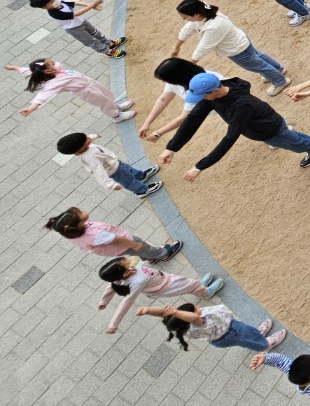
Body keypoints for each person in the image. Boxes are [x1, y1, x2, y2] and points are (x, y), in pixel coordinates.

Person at [162, 71, 310, 180]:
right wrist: (172, 147)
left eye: (201, 95)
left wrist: (200, 166)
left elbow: (230, 137)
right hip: (263, 131)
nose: (200, 99)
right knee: (297, 141)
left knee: (298, 144)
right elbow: (193, 119)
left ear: (214, 90)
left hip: (271, 129)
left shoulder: (240, 105)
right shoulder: (213, 97)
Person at [171, 0, 289, 94]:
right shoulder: (203, 11)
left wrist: (189, 64)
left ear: (196, 15)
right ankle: (278, 69)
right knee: (257, 56)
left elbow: (204, 47)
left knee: (257, 66)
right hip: (240, 41)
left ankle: (280, 81)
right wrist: (177, 46)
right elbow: (188, 28)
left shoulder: (214, 27)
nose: (184, 20)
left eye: (185, 17)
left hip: (237, 50)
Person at [97, 257, 221, 334]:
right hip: (166, 286)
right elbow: (126, 303)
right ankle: (205, 292)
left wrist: (103, 302)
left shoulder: (125, 274)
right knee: (189, 284)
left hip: (165, 278)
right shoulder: (137, 282)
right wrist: (113, 325)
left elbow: (110, 287)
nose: (129, 261)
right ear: (124, 274)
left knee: (187, 282)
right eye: (126, 263)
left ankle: (199, 287)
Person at [8, 58, 134, 121]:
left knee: (106, 94)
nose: (54, 62)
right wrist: (31, 108)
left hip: (89, 82)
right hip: (85, 91)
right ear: (47, 70)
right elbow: (43, 95)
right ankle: (116, 115)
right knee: (102, 101)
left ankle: (116, 106)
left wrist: (15, 68)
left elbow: (28, 71)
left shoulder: (51, 70)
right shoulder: (54, 82)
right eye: (51, 63)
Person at [138, 302, 285, 354]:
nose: (198, 308)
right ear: (187, 320)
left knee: (247, 333)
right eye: (195, 309)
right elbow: (194, 317)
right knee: (245, 336)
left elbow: (165, 312)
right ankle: (264, 345)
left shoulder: (183, 323)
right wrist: (176, 312)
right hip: (229, 332)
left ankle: (257, 335)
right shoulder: (195, 324)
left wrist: (148, 310)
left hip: (226, 332)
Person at [45, 205, 180, 262]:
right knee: (142, 247)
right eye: (80, 213)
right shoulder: (93, 235)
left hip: (115, 249)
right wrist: (133, 244)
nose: (82, 211)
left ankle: (148, 257)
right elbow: (115, 239)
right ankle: (162, 254)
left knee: (138, 252)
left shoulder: (71, 233)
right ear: (79, 224)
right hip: (123, 243)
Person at [138, 57, 222, 143]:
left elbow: (184, 116)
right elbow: (163, 99)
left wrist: (158, 133)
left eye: (165, 80)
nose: (164, 82)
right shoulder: (181, 80)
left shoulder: (197, 88)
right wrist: (147, 123)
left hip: (222, 106)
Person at [56, 132, 161, 198]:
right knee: (128, 181)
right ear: (80, 148)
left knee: (129, 169)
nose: (89, 139)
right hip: (114, 171)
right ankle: (142, 190)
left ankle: (140, 175)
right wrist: (110, 184)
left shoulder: (83, 146)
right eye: (86, 139)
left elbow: (89, 139)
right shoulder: (89, 157)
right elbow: (99, 172)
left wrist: (94, 136)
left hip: (114, 162)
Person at [28, 0, 125, 56]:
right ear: (44, 7)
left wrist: (90, 5)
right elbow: (77, 13)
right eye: (52, 2)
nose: (55, 1)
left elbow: (74, 3)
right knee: (90, 41)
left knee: (96, 33)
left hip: (81, 21)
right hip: (74, 29)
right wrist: (92, 5)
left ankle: (109, 43)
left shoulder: (59, 4)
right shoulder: (54, 14)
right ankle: (107, 51)